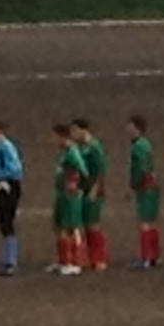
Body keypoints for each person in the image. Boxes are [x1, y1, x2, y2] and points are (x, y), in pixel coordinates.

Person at [0, 121, 24, 276]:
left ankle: (11, 261)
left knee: (8, 221)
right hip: (0, 186)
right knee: (3, 222)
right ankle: (6, 259)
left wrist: (4, 181)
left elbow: (15, 167)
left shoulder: (6, 147)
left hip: (9, 186)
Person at [126, 115, 163, 270]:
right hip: (150, 187)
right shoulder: (144, 144)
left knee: (145, 223)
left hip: (145, 188)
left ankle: (146, 257)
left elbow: (141, 168)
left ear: (137, 129)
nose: (127, 130)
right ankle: (154, 256)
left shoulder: (139, 146)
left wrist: (134, 186)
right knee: (150, 222)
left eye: (130, 127)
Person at [50, 121, 88, 276]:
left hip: (70, 196)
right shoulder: (64, 152)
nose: (51, 140)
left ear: (61, 137)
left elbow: (83, 171)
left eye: (54, 136)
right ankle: (62, 260)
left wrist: (75, 185)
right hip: (61, 194)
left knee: (69, 227)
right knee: (58, 227)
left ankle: (73, 262)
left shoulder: (72, 152)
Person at [75, 118, 111, 271]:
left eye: (75, 131)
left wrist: (96, 189)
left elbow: (101, 170)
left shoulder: (94, 147)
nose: (73, 134)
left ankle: (100, 258)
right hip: (81, 190)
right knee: (84, 225)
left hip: (92, 191)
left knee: (93, 225)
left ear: (84, 130)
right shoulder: (79, 147)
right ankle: (88, 258)